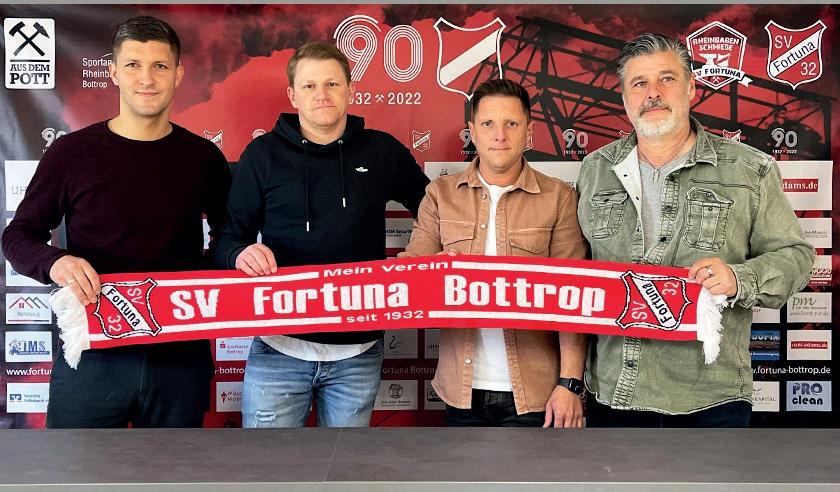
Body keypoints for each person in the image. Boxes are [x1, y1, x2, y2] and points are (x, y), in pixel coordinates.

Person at [2, 16, 231, 428]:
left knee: (176, 467)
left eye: (160, 66)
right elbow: (18, 236)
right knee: (75, 466)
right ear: (113, 73)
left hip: (179, 358)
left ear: (178, 74)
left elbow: (230, 238)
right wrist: (56, 262)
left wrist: (204, 280)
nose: (147, 78)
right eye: (133, 65)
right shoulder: (72, 153)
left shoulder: (203, 157)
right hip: (91, 355)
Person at [577, 33, 815, 427]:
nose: (652, 93)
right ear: (624, 98)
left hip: (710, 402)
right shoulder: (595, 169)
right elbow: (574, 270)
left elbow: (797, 258)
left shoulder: (750, 170)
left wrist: (739, 278)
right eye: (639, 83)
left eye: (666, 79)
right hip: (612, 395)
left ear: (691, 88)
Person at [214, 42, 430, 428]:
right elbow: (227, 238)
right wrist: (239, 254)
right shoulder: (262, 155)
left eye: (332, 84)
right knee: (267, 464)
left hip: (358, 354)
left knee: (344, 464)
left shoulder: (381, 151)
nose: (322, 94)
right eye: (310, 85)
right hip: (278, 349)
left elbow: (435, 212)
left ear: (350, 90)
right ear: (293, 95)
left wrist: (420, 255)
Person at [402, 79, 588, 427]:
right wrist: (429, 273)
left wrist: (570, 384)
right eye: (488, 123)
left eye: (511, 123)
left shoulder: (559, 198)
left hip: (536, 395)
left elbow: (574, 297)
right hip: (460, 391)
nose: (499, 135)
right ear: (472, 131)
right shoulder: (440, 194)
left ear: (529, 132)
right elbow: (408, 275)